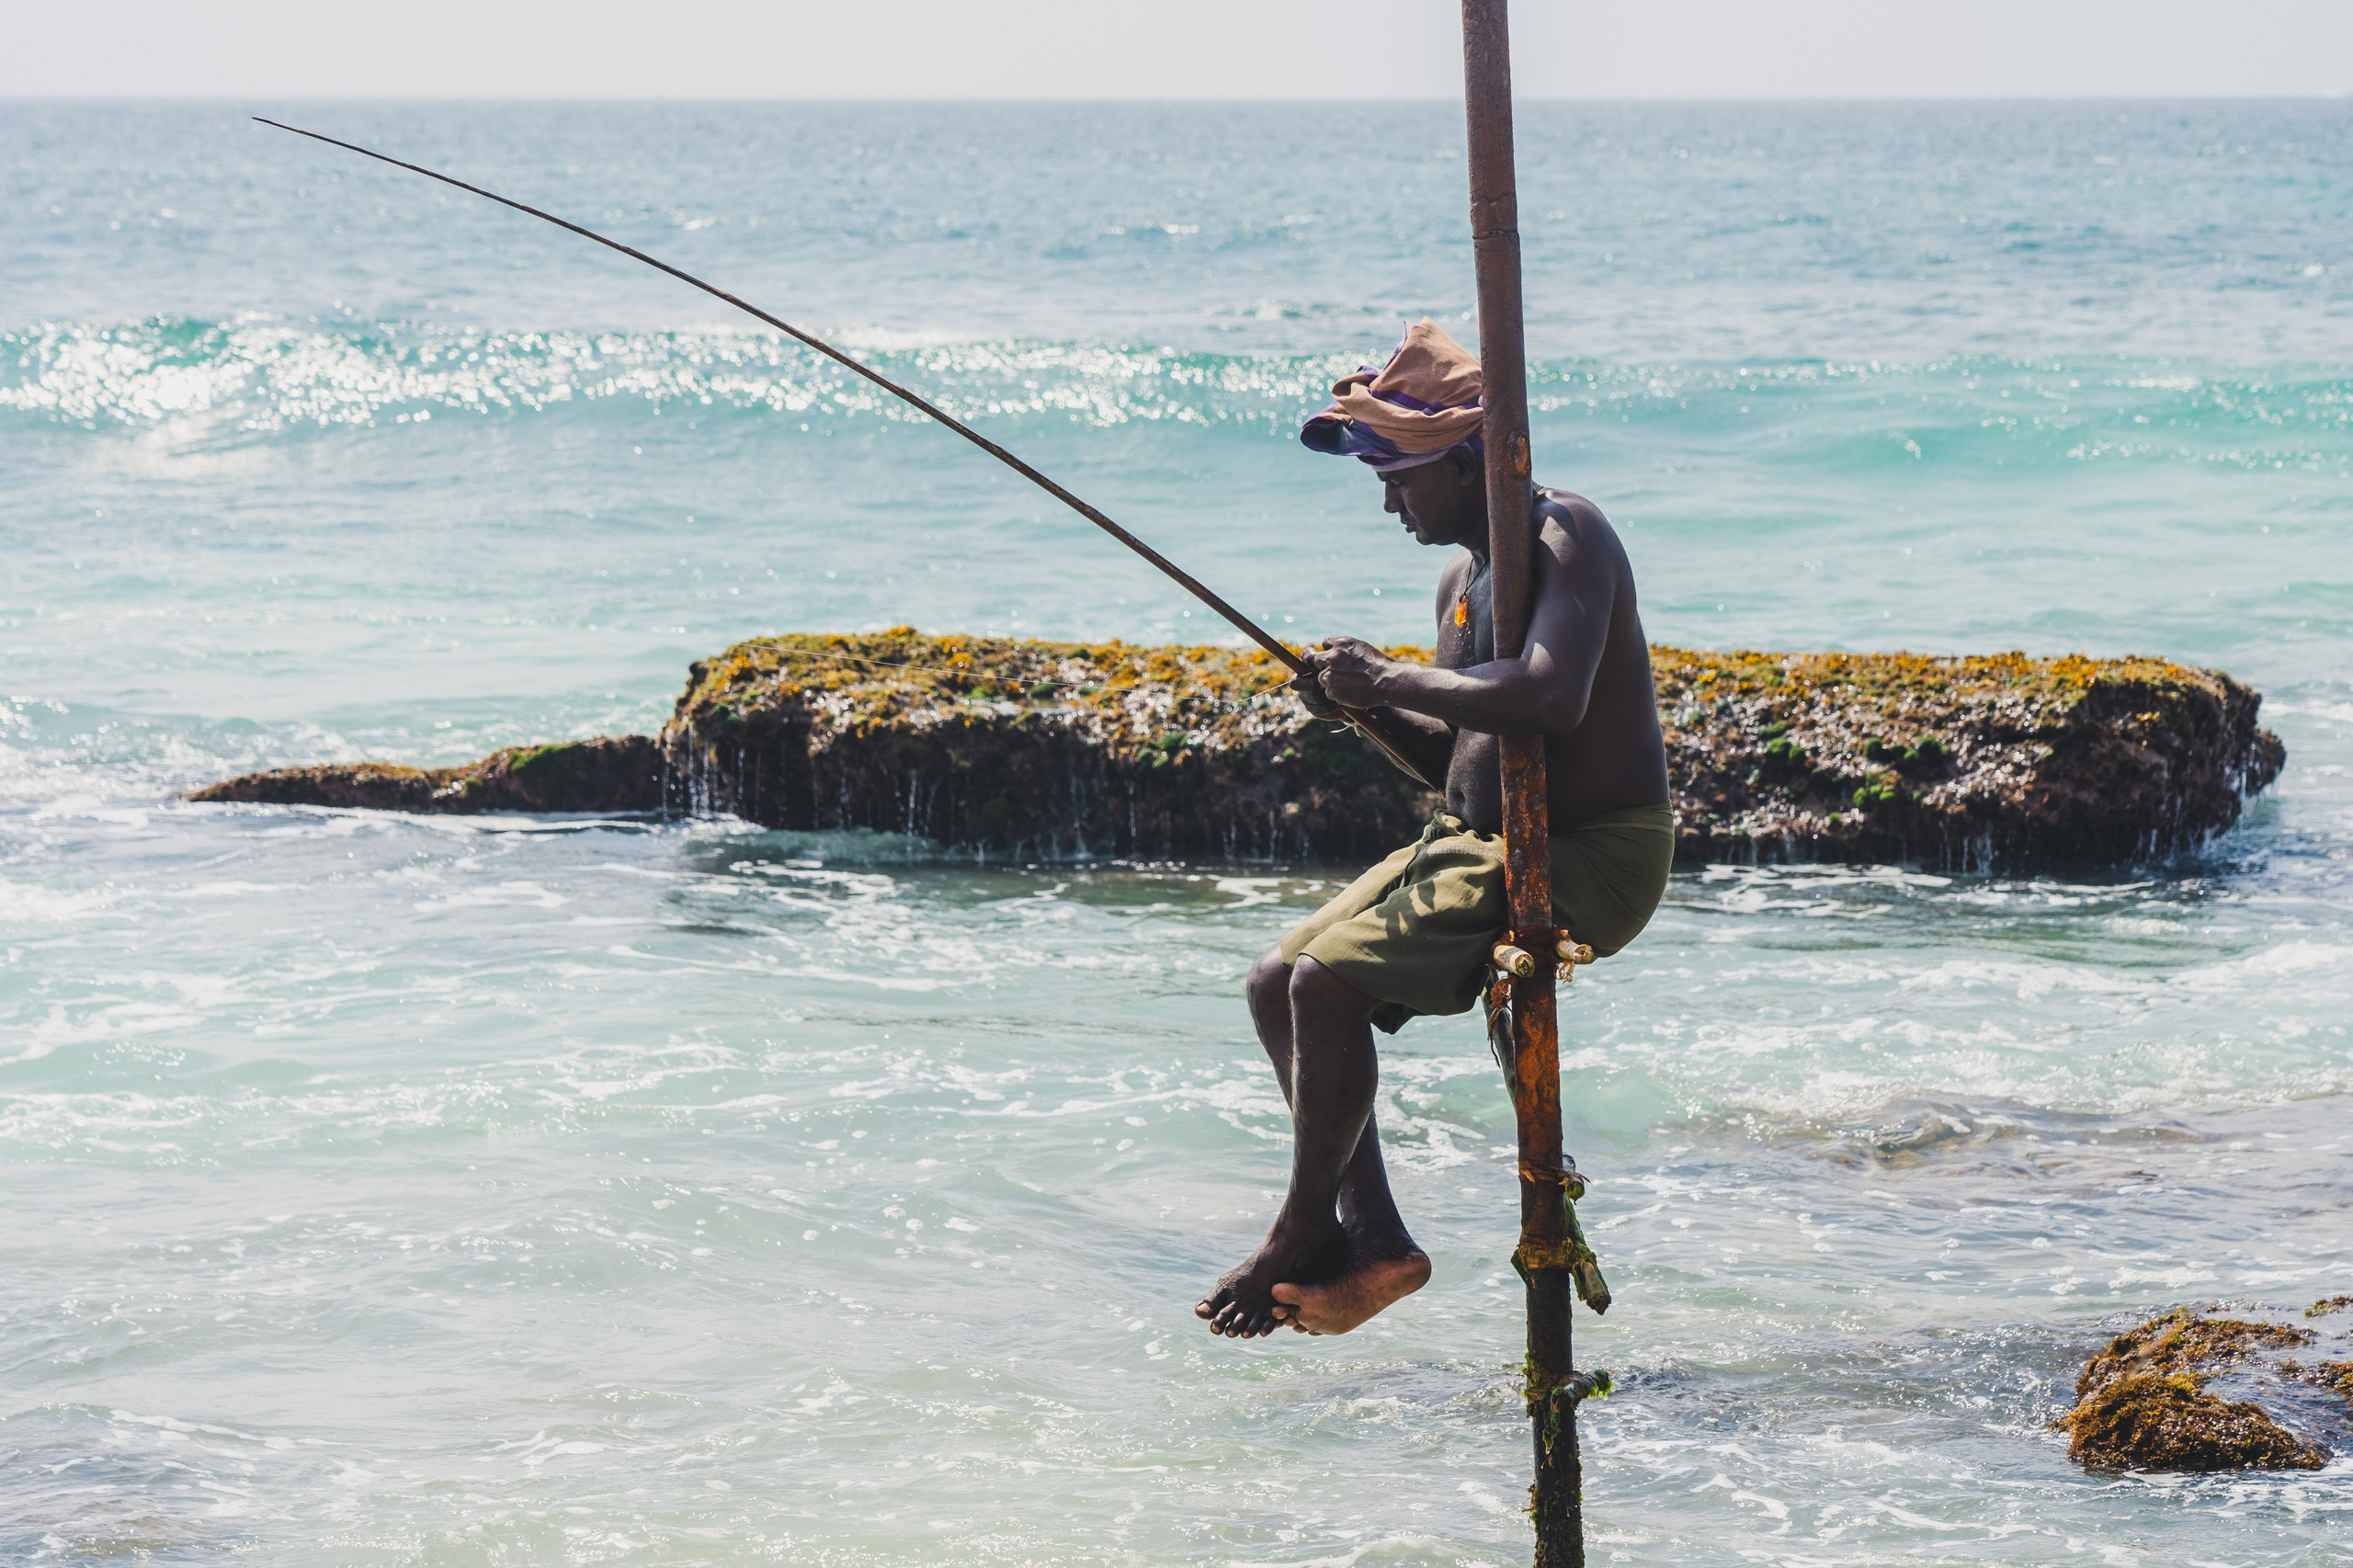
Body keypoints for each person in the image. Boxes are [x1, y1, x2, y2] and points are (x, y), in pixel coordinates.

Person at [1195, 320, 1674, 1340]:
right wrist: (1363, 705)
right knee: (1278, 978)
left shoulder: (1567, 534)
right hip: (1477, 839)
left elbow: (1545, 697)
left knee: (1330, 981)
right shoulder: (1461, 582)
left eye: (1399, 479)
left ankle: (1301, 1227)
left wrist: (1387, 675)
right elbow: (1467, 762)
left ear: (1463, 464)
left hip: (1593, 850)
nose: (1386, 502)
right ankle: (1371, 1235)